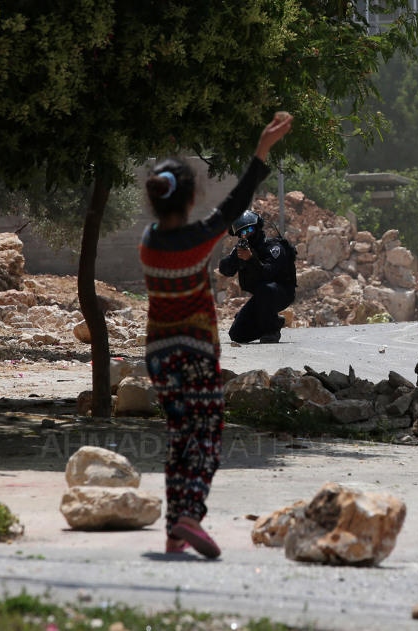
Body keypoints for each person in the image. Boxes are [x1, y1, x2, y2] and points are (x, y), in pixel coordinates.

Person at [139, 113, 293, 558]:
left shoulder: (148, 241)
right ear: (190, 200)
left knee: (178, 435)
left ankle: (174, 530)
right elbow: (234, 203)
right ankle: (190, 516)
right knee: (205, 435)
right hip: (196, 354)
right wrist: (262, 150)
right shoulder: (197, 239)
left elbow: (226, 210)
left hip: (158, 357)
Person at [218, 210, 296, 343]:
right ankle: (274, 321)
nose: (247, 234)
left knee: (265, 288)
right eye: (243, 232)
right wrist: (236, 258)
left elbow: (268, 274)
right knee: (236, 334)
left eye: (250, 229)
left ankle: (271, 331)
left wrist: (250, 260)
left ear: (257, 228)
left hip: (281, 293)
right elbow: (224, 269)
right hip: (261, 297)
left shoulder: (274, 247)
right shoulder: (242, 249)